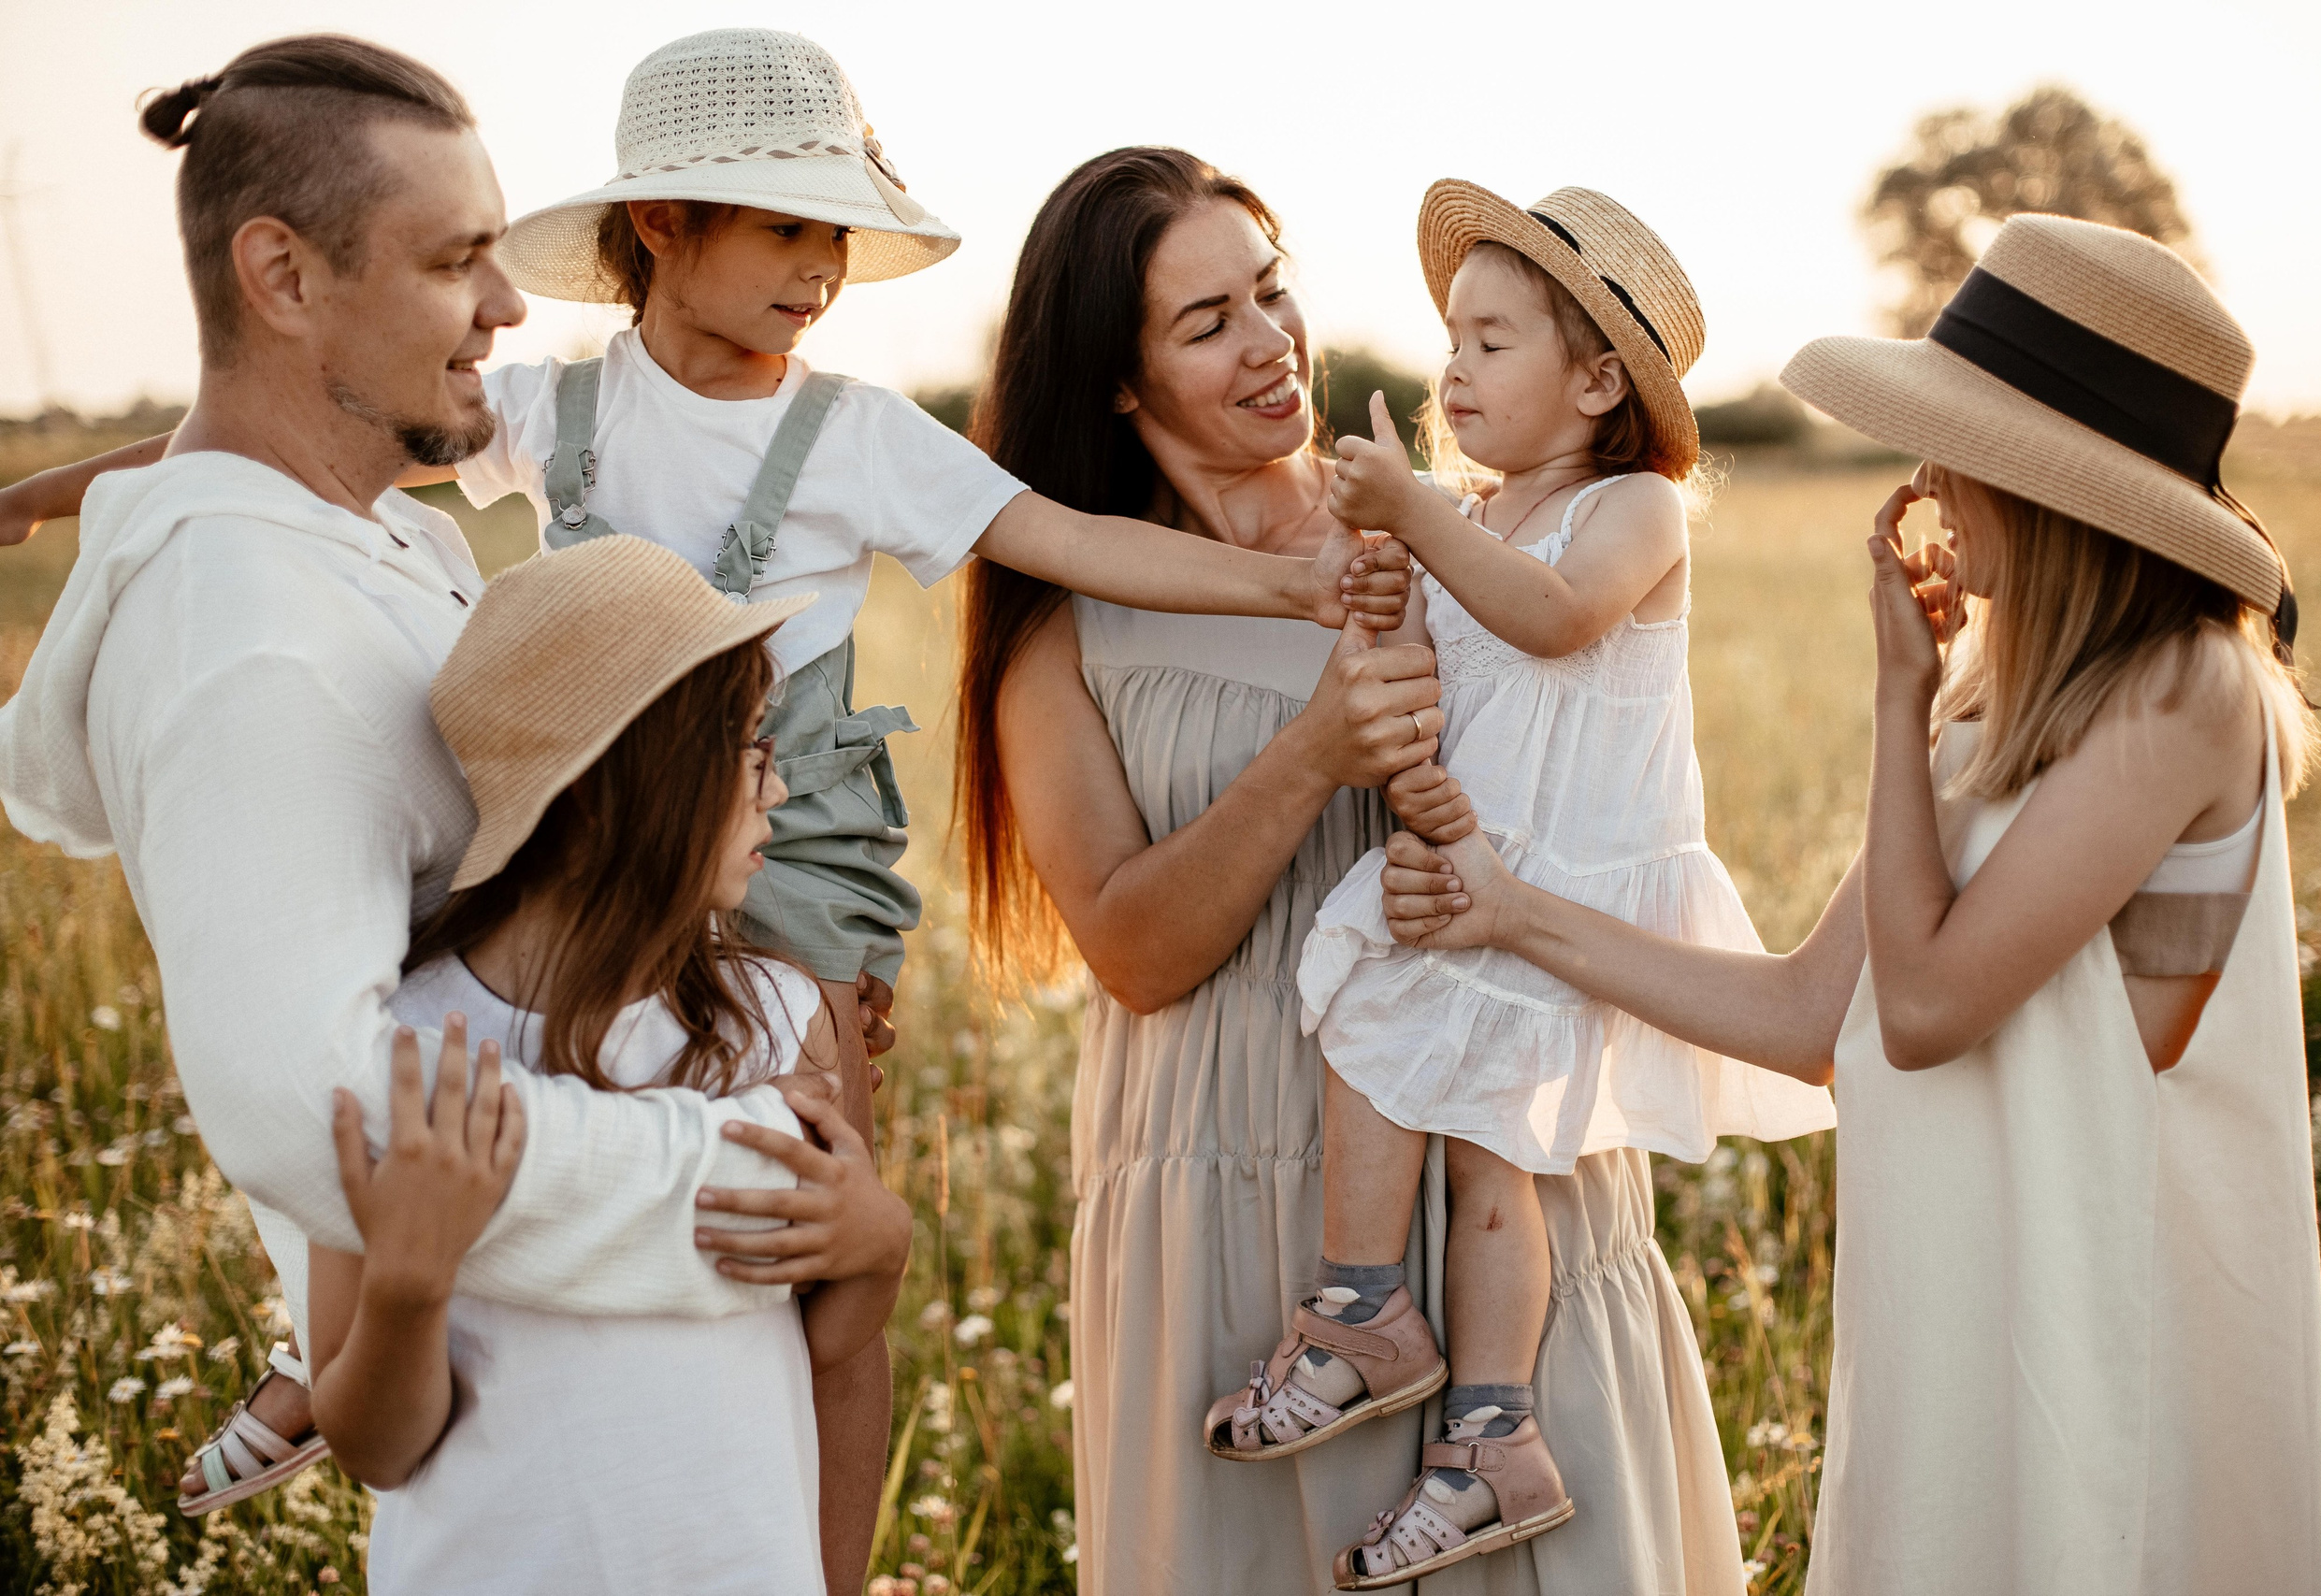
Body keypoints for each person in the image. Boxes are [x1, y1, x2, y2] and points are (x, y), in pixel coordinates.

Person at [0, 32, 1406, 1568]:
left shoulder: (855, 435)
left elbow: (1071, 539)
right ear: (663, 226)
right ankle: (332, 1335)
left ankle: (824, 1555)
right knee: (434, 1024)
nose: (824, 270)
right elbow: (282, 455)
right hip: (587, 817)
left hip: (789, 838)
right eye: (786, 228)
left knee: (822, 1193)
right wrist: (80, 491)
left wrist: (1287, 586)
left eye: (836, 234)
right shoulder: (545, 408)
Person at [1381, 214, 2321, 1594]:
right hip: (1967, 1282)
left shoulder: (2188, 688)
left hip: (2102, 1297)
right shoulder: (1996, 698)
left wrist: (1898, 699)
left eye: (1962, 445)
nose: (1931, 476)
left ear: (2055, 484)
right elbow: (1815, 1016)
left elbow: (1934, 1003)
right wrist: (1507, 909)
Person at [0, 36, 827, 1529]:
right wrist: (742, 1164)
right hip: (531, 1471)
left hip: (633, 1414)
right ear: (285, 277)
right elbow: (314, 1102)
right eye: (458, 263)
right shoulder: (246, 632)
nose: (509, 307)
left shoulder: (342, 549)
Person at [956, 148, 1742, 1595]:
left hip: (1489, 1166)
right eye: (1207, 323)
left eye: (1272, 292)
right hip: (1222, 1177)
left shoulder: (1445, 529)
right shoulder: (1064, 623)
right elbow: (1132, 949)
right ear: (1115, 380)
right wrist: (1312, 749)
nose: (1271, 343)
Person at [1213, 181, 1831, 1589]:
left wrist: (1423, 518)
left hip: (1574, 899)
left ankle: (1491, 1425)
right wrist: (1386, 587)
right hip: (1468, 864)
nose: (1454, 367)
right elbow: (1437, 675)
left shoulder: (1637, 507)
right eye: (1453, 337)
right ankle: (1371, 1312)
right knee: (1364, 1016)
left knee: (1504, 1174)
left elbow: (1552, 619)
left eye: (1493, 340)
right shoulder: (1478, 511)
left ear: (1600, 378)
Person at [307, 535, 912, 1593]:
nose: (776, 791)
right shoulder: (398, 1051)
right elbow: (375, 1448)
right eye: (746, 753)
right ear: (604, 792)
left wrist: (878, 1251)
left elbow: (828, 1353)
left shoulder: (780, 1021)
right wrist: (407, 1286)